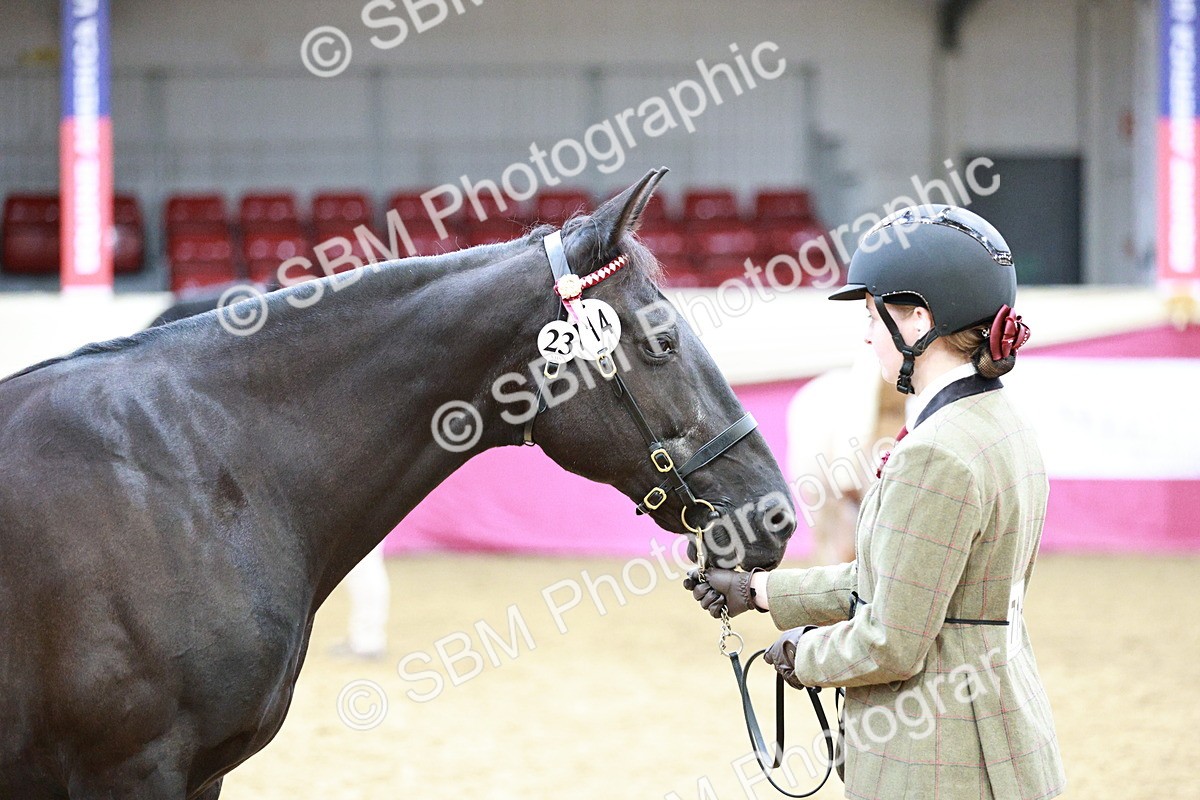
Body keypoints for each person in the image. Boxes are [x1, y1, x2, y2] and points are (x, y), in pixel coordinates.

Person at [687, 205, 1065, 799]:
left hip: (942, 757)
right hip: (1000, 731)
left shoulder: (935, 453)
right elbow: (902, 580)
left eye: (872, 314)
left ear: (918, 319)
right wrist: (761, 593)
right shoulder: (1001, 422)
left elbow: (891, 640)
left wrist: (803, 655)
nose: (866, 334)